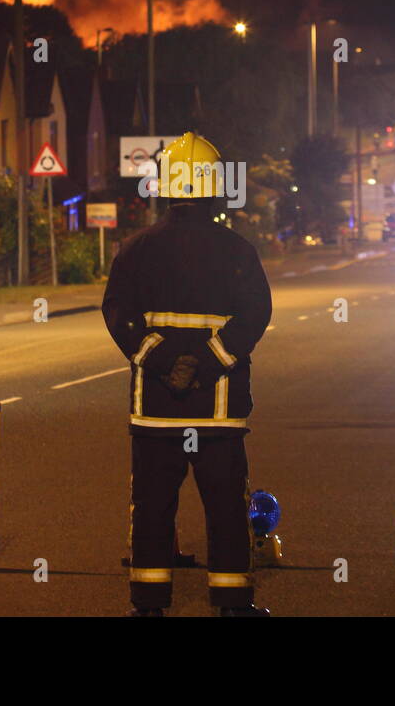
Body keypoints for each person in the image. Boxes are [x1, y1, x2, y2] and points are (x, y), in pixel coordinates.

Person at [103, 132, 273, 618]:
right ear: (214, 186)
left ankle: (149, 605)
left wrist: (161, 363)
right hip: (218, 412)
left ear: (165, 186)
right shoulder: (239, 251)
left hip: (156, 410)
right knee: (225, 509)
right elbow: (255, 314)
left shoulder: (135, 249)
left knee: (153, 510)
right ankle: (233, 604)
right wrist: (211, 360)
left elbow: (118, 314)